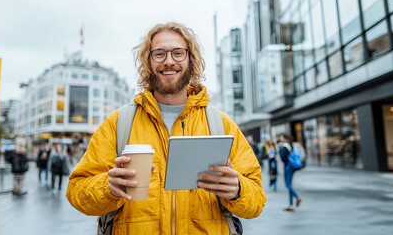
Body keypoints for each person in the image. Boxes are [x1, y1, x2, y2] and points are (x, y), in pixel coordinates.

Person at [66, 22, 266, 234]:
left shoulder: (221, 124)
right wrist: (108, 187)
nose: (169, 61)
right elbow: (77, 191)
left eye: (178, 53)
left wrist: (238, 191)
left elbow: (257, 201)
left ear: (191, 59)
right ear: (148, 61)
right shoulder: (118, 123)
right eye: (159, 54)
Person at [279, 134, 302, 211]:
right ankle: (291, 205)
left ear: (284, 138)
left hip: (288, 167)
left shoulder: (285, 146)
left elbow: (283, 157)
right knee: (290, 185)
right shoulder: (290, 145)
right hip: (292, 167)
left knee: (288, 184)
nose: (280, 138)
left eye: (281, 137)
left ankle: (297, 197)